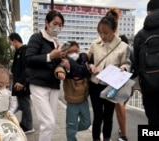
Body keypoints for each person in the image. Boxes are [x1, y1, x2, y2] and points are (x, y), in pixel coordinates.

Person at [87, 8, 131, 141]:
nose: (102, 36)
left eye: (106, 33)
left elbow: (127, 63)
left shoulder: (123, 46)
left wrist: (124, 68)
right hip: (95, 84)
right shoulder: (95, 44)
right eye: (100, 32)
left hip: (112, 86)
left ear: (114, 30)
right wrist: (91, 67)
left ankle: (106, 138)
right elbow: (87, 61)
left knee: (108, 116)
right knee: (98, 116)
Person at [25, 10, 66, 141]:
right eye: (55, 23)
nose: (57, 27)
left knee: (51, 123)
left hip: (53, 85)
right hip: (38, 84)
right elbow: (29, 59)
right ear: (47, 23)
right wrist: (50, 56)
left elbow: (56, 64)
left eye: (60, 25)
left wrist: (60, 66)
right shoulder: (37, 38)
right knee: (48, 123)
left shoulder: (56, 43)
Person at [55, 41, 91, 141]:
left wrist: (71, 66)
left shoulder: (83, 60)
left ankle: (72, 129)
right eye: (71, 52)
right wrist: (61, 72)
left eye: (76, 51)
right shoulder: (64, 61)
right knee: (71, 126)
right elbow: (59, 67)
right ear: (66, 53)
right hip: (72, 102)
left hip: (83, 100)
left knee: (87, 123)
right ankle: (71, 133)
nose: (74, 53)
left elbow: (85, 70)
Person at [8, 32, 34, 133]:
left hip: (22, 83)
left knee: (25, 103)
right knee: (23, 103)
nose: (10, 45)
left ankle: (29, 125)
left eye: (10, 42)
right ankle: (24, 123)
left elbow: (26, 68)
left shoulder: (24, 51)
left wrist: (21, 82)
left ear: (15, 41)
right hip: (18, 82)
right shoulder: (19, 51)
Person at [114, 35, 135, 141]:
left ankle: (124, 134)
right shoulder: (131, 51)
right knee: (122, 107)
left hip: (120, 82)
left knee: (119, 107)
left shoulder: (123, 51)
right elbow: (135, 67)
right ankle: (121, 129)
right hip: (130, 82)